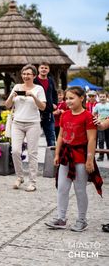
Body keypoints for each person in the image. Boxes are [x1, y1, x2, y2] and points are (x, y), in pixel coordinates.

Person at [45, 86, 102, 232]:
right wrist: (57, 154)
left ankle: (82, 220)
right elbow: (60, 136)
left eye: (72, 98)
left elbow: (92, 139)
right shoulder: (65, 115)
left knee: (80, 189)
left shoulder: (88, 116)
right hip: (66, 156)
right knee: (62, 188)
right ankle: (61, 218)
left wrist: (90, 159)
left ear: (82, 98)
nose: (68, 101)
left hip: (81, 156)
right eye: (66, 98)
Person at [4, 64, 46, 192]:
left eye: (28, 74)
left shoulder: (38, 89)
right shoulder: (16, 87)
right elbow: (7, 105)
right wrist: (13, 96)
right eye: (24, 74)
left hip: (33, 123)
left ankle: (32, 181)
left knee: (32, 153)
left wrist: (32, 96)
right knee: (15, 151)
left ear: (34, 75)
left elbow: (43, 107)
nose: (26, 76)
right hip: (17, 123)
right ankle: (20, 177)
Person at [33, 62, 58, 149]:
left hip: (49, 112)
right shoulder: (34, 81)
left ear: (48, 70)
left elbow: (54, 93)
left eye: (46, 68)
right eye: (42, 68)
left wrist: (55, 103)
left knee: (51, 136)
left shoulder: (50, 80)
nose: (44, 69)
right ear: (38, 69)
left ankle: (52, 159)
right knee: (33, 136)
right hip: (36, 111)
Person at [93, 90, 109, 161]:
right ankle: (101, 155)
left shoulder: (108, 104)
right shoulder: (97, 105)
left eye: (103, 97)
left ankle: (108, 155)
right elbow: (94, 113)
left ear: (106, 97)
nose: (102, 98)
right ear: (98, 98)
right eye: (100, 97)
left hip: (108, 124)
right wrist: (96, 118)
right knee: (101, 140)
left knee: (108, 140)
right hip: (100, 125)